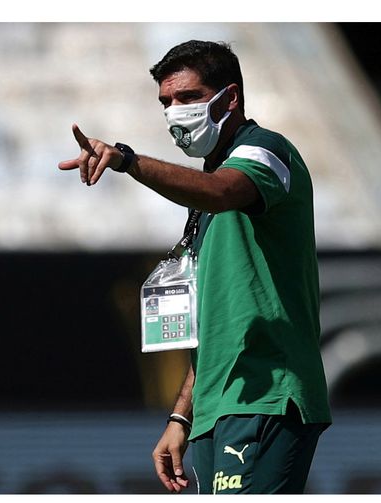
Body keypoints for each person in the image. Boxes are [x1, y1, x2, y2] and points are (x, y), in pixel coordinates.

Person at [58, 40, 332, 494]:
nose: (174, 112)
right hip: (215, 406)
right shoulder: (204, 201)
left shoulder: (266, 151)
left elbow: (220, 190)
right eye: (166, 102)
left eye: (188, 98)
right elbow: (220, 325)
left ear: (230, 98)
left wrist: (127, 160)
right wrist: (182, 413)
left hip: (264, 394)